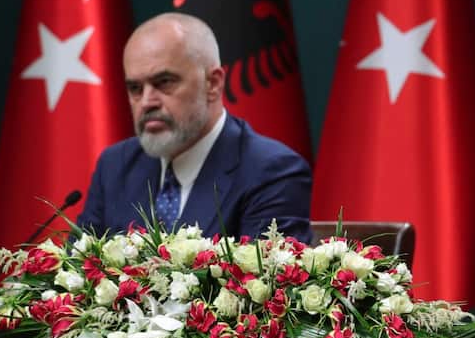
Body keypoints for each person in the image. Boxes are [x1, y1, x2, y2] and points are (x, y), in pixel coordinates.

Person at [76, 13, 313, 243]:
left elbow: (261, 280)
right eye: (135, 88)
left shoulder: (271, 172)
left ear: (213, 84)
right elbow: (77, 270)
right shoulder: (116, 165)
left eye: (164, 82)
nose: (147, 101)